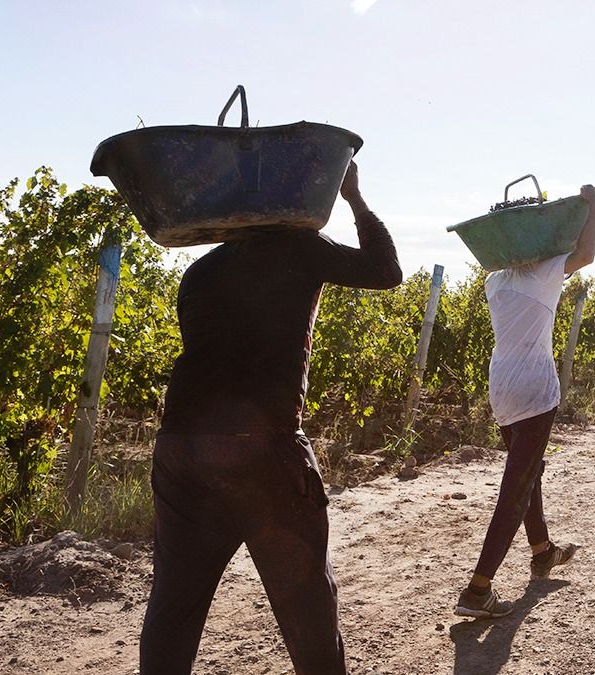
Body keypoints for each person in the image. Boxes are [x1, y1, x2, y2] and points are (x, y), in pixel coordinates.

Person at [139, 161, 401, 674]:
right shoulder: (298, 248)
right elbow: (385, 272)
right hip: (263, 450)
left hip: (183, 448)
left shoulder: (199, 271)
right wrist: (354, 199)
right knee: (307, 604)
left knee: (174, 604)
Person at [454, 185, 595, 618]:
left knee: (526, 471)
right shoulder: (548, 271)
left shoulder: (493, 282)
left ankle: (542, 552)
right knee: (515, 488)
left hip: (501, 386)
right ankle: (478, 589)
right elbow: (587, 252)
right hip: (536, 390)